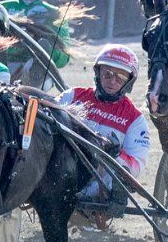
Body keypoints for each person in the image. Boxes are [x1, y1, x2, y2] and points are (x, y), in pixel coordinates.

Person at [58, 45, 152, 209]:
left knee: (116, 173)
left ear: (128, 83)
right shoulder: (72, 96)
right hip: (62, 171)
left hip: (100, 183)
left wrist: (117, 153)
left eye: (120, 77)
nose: (112, 81)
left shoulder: (135, 120)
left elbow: (136, 166)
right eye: (107, 74)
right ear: (97, 73)